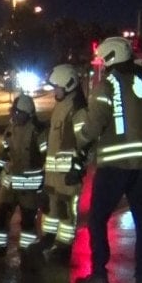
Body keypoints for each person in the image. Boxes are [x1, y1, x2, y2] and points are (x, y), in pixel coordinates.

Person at [67, 36, 142, 283]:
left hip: (114, 167)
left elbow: (93, 127)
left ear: (110, 58)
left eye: (103, 61)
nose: (102, 65)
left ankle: (99, 273)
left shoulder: (107, 85)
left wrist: (80, 134)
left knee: (98, 220)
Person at [0, 93, 47, 262]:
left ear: (27, 113)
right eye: (14, 112)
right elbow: (3, 153)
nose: (14, 115)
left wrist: (45, 185)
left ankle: (27, 253)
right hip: (10, 186)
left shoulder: (37, 132)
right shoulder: (11, 129)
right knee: (0, 217)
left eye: (18, 113)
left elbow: (47, 158)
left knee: (27, 223)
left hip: (29, 188)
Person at [39, 64, 88, 264]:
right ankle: (49, 239)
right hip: (53, 174)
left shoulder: (77, 110)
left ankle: (64, 247)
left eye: (57, 87)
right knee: (51, 209)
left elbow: (85, 141)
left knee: (66, 211)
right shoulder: (61, 107)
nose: (55, 91)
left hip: (68, 175)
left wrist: (77, 167)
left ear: (68, 85)